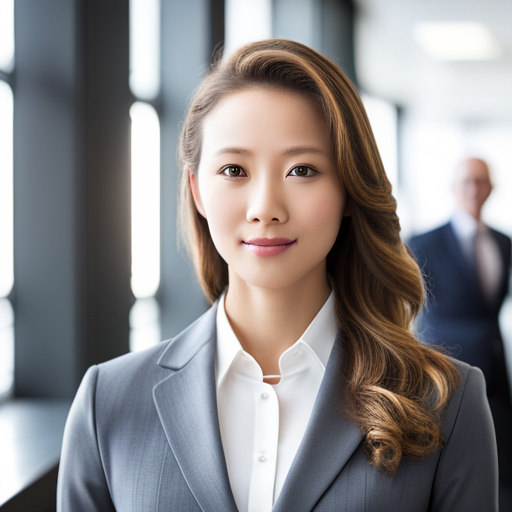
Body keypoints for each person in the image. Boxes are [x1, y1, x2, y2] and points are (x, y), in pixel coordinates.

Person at [57, 40, 498, 511]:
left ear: (349, 188)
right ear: (197, 191)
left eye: (301, 169)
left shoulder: (446, 401)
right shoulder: (109, 402)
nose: (265, 208)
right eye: (233, 169)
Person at [408, 157, 512, 508]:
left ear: (492, 188)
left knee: (499, 466)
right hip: (445, 371)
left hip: (496, 372)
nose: (474, 189)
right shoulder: (423, 242)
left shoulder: (503, 242)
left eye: (481, 182)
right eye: (466, 181)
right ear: (453, 187)